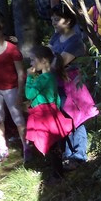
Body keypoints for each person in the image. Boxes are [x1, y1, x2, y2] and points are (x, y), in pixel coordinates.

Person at [49, 4, 88, 170]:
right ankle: (68, 152)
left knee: (76, 118)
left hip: (73, 84)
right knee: (64, 116)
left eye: (57, 19)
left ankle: (78, 155)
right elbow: (49, 56)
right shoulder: (56, 37)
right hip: (58, 83)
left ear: (69, 21)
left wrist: (48, 60)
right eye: (52, 19)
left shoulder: (75, 42)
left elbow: (57, 63)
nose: (53, 22)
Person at [25, 45, 72, 179]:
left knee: (50, 143)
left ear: (44, 60)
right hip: (51, 112)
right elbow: (56, 98)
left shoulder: (42, 78)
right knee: (53, 143)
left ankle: (57, 174)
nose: (31, 63)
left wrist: (29, 78)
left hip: (43, 114)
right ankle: (57, 170)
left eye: (33, 60)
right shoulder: (50, 77)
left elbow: (29, 94)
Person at [0, 14, 29, 162]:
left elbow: (21, 73)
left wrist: (20, 92)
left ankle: (26, 147)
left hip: (11, 88)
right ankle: (2, 148)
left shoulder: (11, 49)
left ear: (1, 31)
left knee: (18, 119)